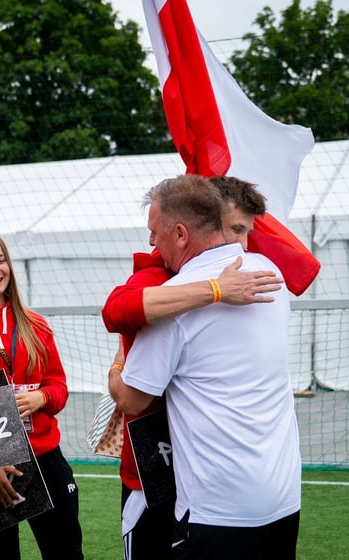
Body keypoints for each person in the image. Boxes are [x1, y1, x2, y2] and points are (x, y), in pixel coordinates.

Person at [109, 175, 301, 560]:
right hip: (283, 499)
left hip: (217, 511)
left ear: (180, 234)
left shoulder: (174, 306)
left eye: (155, 233)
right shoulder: (269, 272)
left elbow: (131, 398)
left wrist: (116, 366)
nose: (151, 243)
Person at [0, 229, 84, 560]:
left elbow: (59, 386)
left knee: (66, 552)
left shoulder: (35, 324)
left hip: (43, 456)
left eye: (0, 260)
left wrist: (41, 399)